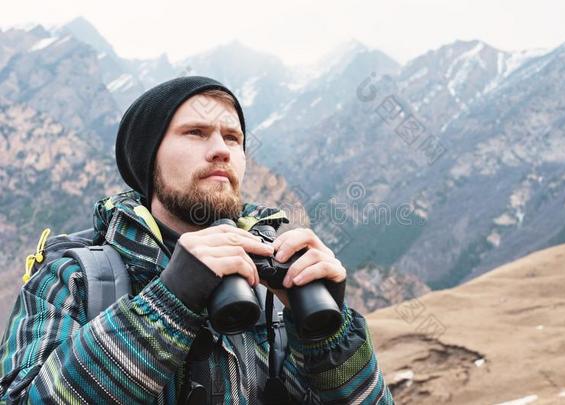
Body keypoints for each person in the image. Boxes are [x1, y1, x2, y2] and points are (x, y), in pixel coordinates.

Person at [0, 76, 394, 404]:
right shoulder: (74, 277)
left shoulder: (275, 280)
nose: (221, 150)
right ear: (149, 159)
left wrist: (329, 338)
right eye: (196, 133)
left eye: (233, 138)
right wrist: (169, 301)